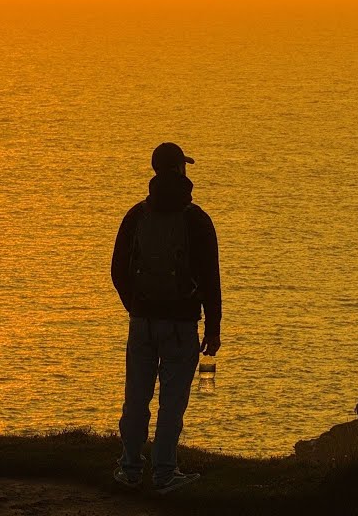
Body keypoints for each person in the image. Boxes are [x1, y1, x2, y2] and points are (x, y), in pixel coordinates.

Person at [111, 142, 222, 494]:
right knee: (172, 402)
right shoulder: (196, 219)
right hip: (181, 324)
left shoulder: (136, 215)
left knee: (136, 398)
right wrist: (213, 329)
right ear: (179, 169)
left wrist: (135, 306)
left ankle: (130, 468)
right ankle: (164, 472)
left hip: (142, 321)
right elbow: (211, 279)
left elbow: (117, 270)